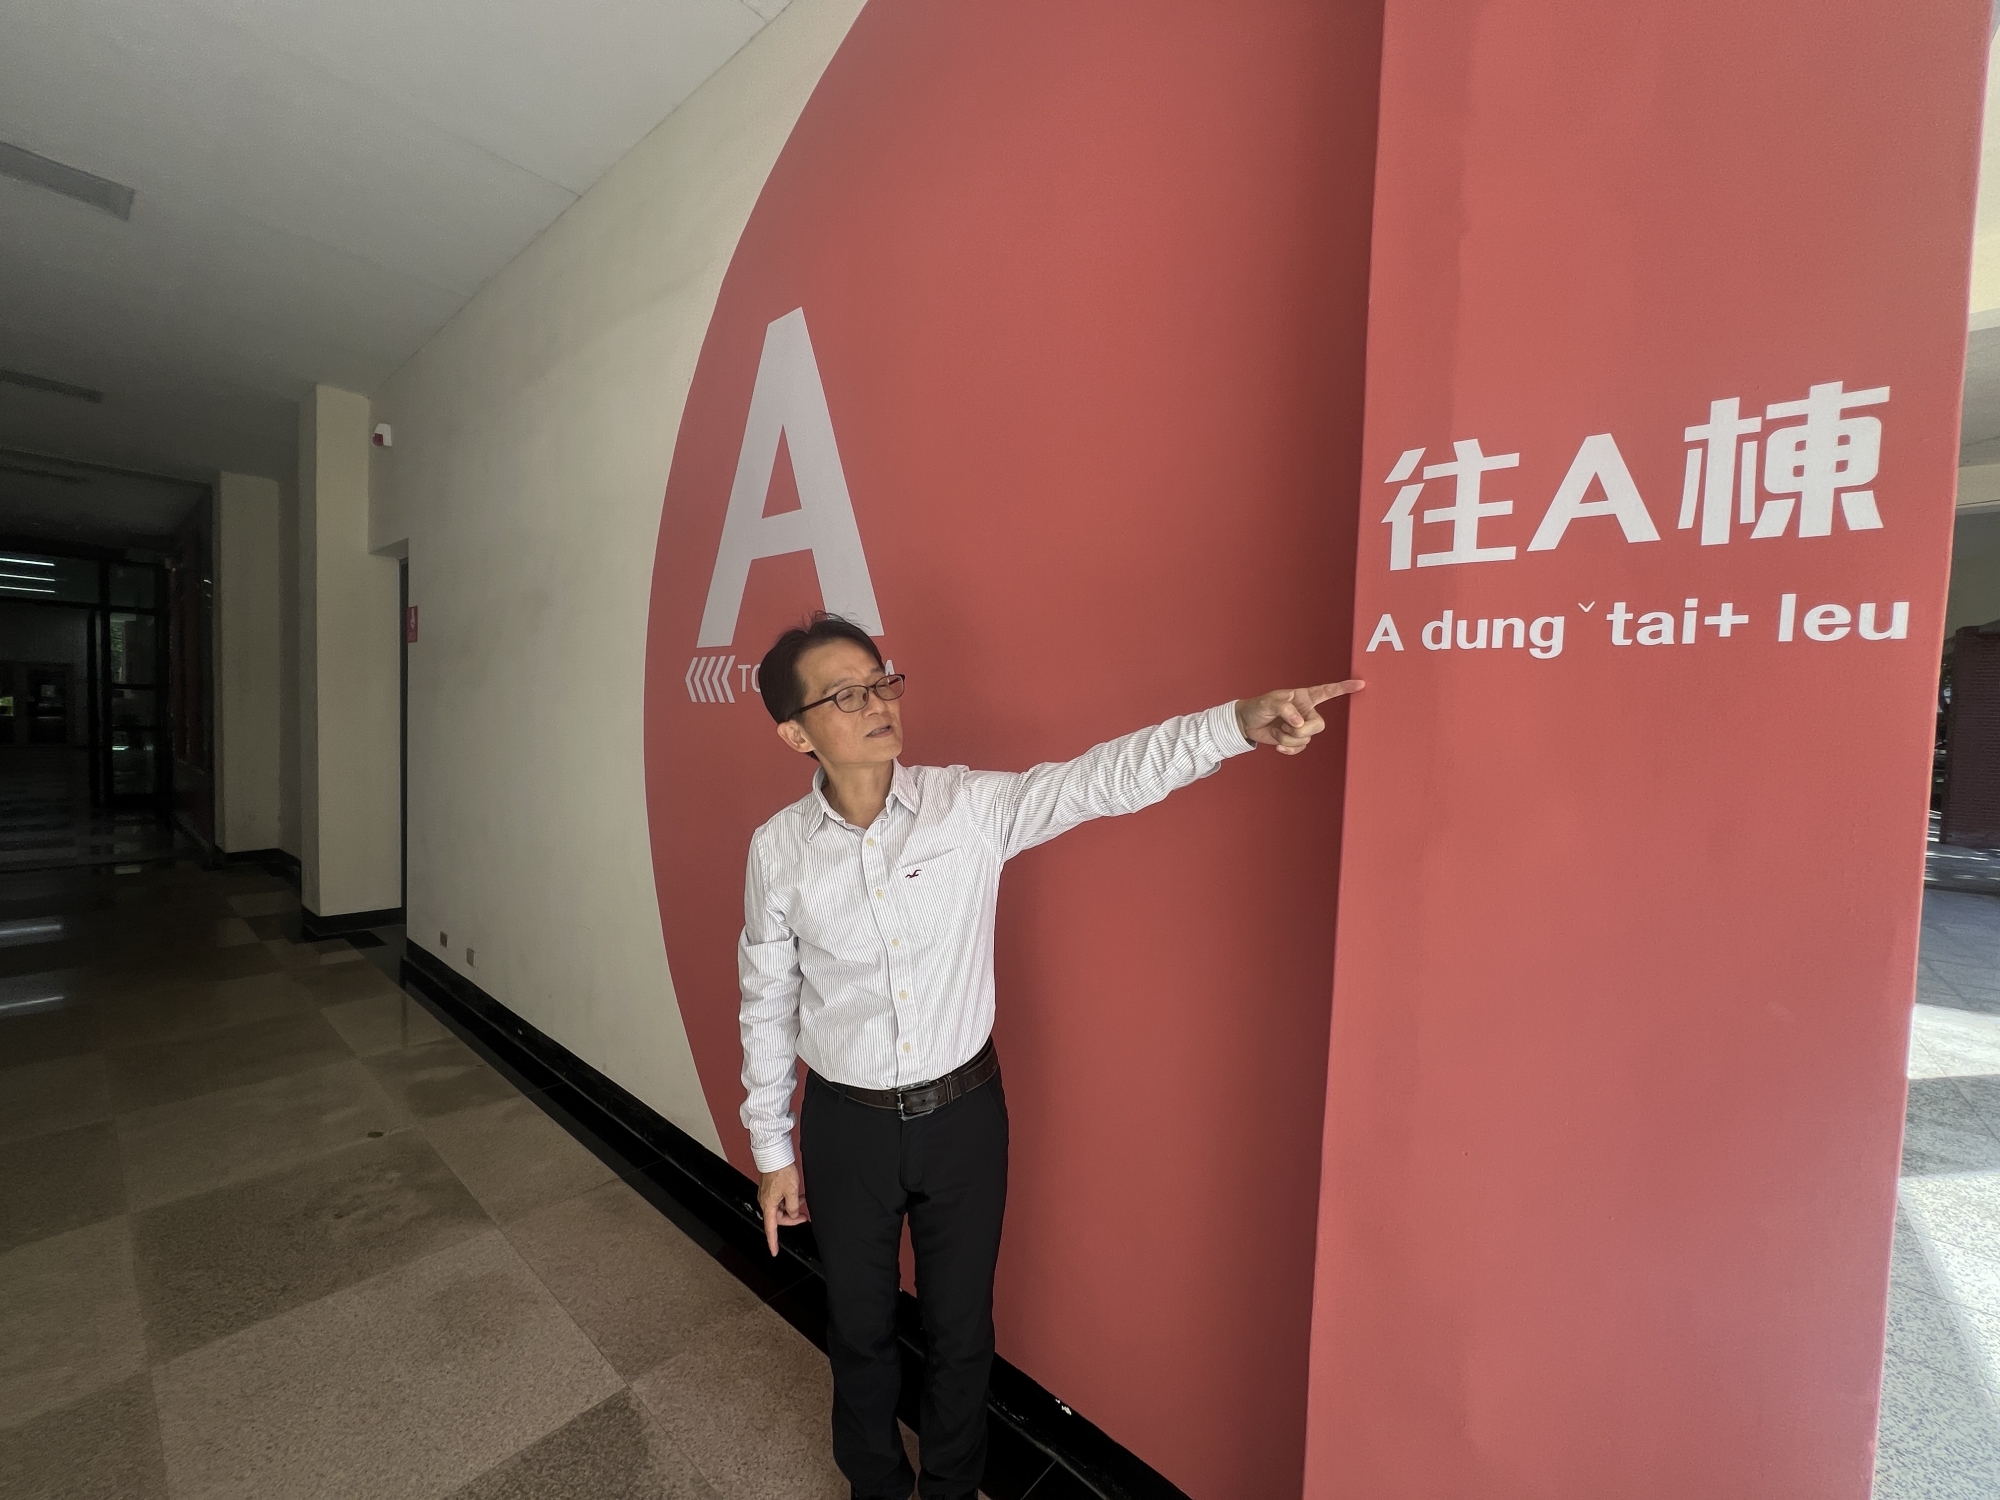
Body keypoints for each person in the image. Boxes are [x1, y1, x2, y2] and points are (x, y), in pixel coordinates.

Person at [737, 612, 1361, 1500]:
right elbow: (767, 998)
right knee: (858, 1330)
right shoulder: (778, 851)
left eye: (882, 682)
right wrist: (772, 1148)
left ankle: (951, 1491)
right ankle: (874, 1487)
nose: (877, 704)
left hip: (963, 1118)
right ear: (795, 733)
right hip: (848, 1127)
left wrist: (1236, 724)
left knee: (960, 1331)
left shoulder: (968, 807)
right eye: (846, 695)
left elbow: (1100, 779)